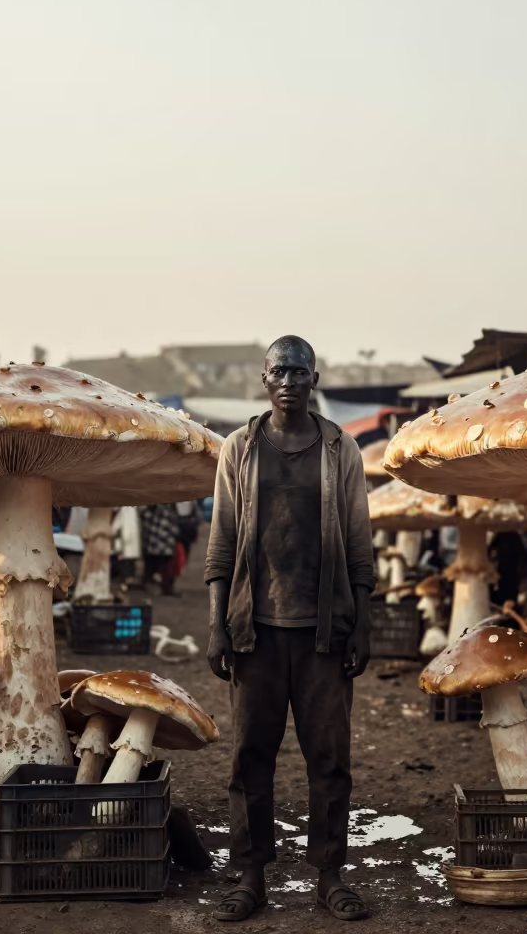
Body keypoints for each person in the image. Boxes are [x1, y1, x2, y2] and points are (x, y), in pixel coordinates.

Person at [205, 336, 374, 923]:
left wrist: (363, 622)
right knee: (250, 757)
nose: (288, 380)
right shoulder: (239, 449)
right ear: (263, 378)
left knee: (329, 758)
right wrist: (217, 625)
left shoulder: (339, 449)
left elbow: (357, 540)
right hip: (255, 628)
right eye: (279, 370)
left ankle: (329, 876)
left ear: (315, 378)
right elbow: (222, 540)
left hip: (324, 630)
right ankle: (250, 875)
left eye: (299, 371)